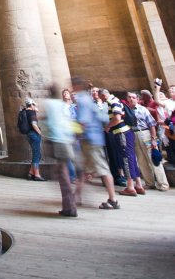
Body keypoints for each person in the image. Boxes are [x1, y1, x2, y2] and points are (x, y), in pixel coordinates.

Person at [70, 77, 120, 210]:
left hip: (90, 139)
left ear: (76, 86)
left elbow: (83, 121)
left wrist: (74, 134)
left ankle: (113, 199)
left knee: (102, 169)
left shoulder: (83, 99)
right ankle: (76, 196)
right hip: (94, 137)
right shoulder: (88, 99)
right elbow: (101, 117)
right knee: (84, 169)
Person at [99, 88, 145, 197]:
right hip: (126, 132)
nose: (102, 100)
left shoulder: (112, 101)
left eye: (101, 98)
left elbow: (117, 118)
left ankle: (130, 187)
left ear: (103, 95)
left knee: (126, 159)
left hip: (122, 133)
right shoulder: (116, 100)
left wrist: (108, 127)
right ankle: (138, 184)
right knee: (131, 157)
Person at [43, 85, 77, 216]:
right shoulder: (62, 105)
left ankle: (70, 207)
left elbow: (50, 123)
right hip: (66, 140)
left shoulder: (49, 104)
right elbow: (68, 121)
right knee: (64, 172)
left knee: (62, 174)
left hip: (57, 141)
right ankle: (70, 204)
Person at [125, 91, 169, 191]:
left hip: (145, 134)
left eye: (133, 97)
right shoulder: (127, 110)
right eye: (129, 97)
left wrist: (153, 139)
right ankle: (149, 183)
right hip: (133, 134)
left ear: (137, 99)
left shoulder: (143, 109)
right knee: (141, 161)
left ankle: (163, 184)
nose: (131, 99)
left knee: (154, 159)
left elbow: (152, 124)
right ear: (127, 99)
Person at [24, 98, 45, 181]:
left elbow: (37, 110)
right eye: (34, 105)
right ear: (31, 105)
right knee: (37, 155)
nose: (36, 106)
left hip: (29, 134)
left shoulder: (25, 111)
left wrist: (34, 107)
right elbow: (34, 124)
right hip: (34, 134)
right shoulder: (32, 113)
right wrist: (40, 133)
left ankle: (30, 173)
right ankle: (37, 175)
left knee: (36, 154)